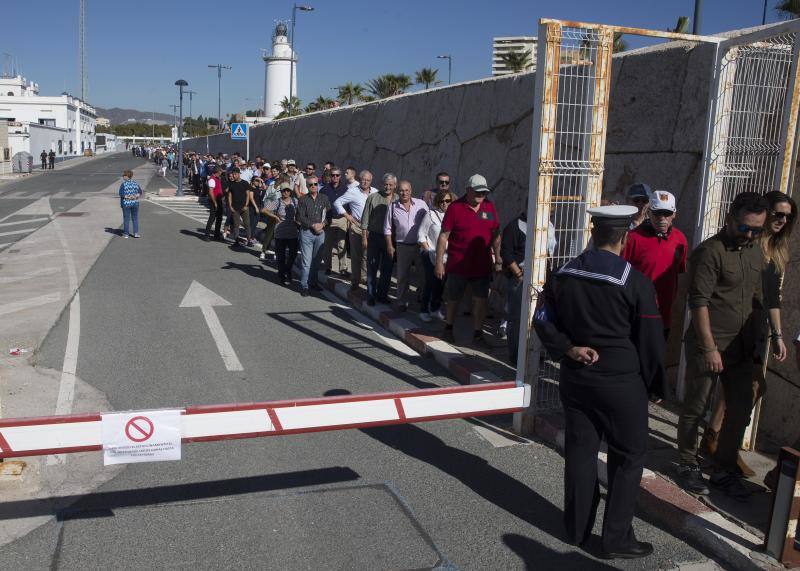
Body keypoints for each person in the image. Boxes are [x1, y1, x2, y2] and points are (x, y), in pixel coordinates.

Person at [534, 204, 664, 560]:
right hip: (622, 383)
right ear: (624, 238)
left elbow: (542, 320)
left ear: (592, 232)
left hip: (577, 378)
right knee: (628, 457)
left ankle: (576, 529)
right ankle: (616, 539)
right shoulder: (636, 282)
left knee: (580, 452)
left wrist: (569, 349)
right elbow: (651, 341)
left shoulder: (562, 274)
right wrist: (655, 386)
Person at [676, 192, 768, 499]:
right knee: (696, 405)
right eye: (745, 228)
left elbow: (756, 297)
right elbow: (698, 301)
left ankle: (724, 468)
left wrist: (760, 341)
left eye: (757, 230)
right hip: (710, 343)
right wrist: (710, 347)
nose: (750, 235)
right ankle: (687, 462)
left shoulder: (755, 251)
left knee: (741, 406)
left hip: (741, 347)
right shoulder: (710, 252)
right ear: (730, 219)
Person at [701, 191, 796, 476]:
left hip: (757, 326)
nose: (781, 220)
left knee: (745, 388)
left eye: (787, 217)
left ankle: (715, 438)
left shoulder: (777, 249)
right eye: (777, 213)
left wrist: (778, 335)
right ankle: (717, 442)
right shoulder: (749, 244)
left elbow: (772, 297)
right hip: (733, 323)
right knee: (749, 386)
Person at [435, 174, 501, 346]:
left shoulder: (489, 207)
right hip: (458, 265)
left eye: (484, 192)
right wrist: (439, 262)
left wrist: (498, 257)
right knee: (453, 299)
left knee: (481, 300)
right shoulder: (455, 208)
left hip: (482, 265)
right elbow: (443, 237)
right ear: (468, 190)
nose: (481, 196)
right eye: (478, 192)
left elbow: (495, 234)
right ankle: (448, 328)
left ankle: (478, 334)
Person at [622, 190, 687, 340]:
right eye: (658, 213)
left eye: (667, 213)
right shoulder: (632, 239)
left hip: (664, 317)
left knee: (657, 360)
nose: (662, 219)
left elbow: (677, 273)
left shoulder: (680, 240)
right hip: (637, 316)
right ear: (649, 212)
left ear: (674, 214)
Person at [384, 180, 428, 311]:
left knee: (423, 274)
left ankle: (424, 299)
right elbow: (387, 228)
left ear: (411, 191)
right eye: (401, 190)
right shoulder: (393, 206)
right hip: (402, 246)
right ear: (398, 192)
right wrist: (389, 246)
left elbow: (430, 222)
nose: (404, 193)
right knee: (402, 275)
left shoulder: (421, 204)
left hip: (420, 246)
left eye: (406, 190)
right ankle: (402, 302)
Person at [335, 170, 378, 291]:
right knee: (356, 254)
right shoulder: (352, 191)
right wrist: (347, 216)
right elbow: (337, 202)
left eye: (368, 180)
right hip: (357, 226)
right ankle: (355, 280)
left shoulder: (375, 192)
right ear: (360, 178)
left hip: (370, 228)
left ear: (371, 181)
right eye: (363, 179)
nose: (365, 182)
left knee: (367, 255)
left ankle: (364, 278)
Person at [361, 173, 398, 305]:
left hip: (390, 240)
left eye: (390, 185)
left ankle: (382, 295)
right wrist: (364, 238)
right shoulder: (373, 198)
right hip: (374, 237)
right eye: (386, 184)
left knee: (387, 269)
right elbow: (365, 219)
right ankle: (371, 295)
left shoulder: (398, 199)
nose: (387, 187)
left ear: (395, 186)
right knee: (372, 267)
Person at [418, 188, 454, 322]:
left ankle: (435, 308)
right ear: (437, 201)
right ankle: (424, 310)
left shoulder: (454, 216)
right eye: (442, 201)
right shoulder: (430, 215)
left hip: (446, 257)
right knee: (430, 282)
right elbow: (421, 234)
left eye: (448, 201)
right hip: (430, 254)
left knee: (441, 283)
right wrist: (428, 251)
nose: (445, 203)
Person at [296, 175, 331, 296]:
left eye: (315, 184)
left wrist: (322, 225)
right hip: (307, 233)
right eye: (311, 185)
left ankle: (313, 282)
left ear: (318, 184)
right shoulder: (303, 199)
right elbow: (300, 217)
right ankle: (304, 285)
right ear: (307, 186)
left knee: (316, 260)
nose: (313, 186)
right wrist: (313, 225)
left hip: (321, 233)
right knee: (306, 262)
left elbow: (328, 215)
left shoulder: (324, 198)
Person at [269, 182, 299, 286]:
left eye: (288, 190)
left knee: (293, 254)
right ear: (281, 192)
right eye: (284, 190)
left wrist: (297, 219)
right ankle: (282, 275)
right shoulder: (277, 202)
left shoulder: (295, 201)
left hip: (293, 233)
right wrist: (275, 217)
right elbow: (264, 209)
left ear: (290, 192)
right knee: (280, 256)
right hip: (280, 233)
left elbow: (301, 212)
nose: (286, 192)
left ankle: (288, 270)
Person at [322, 167, 350, 276]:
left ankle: (343, 268)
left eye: (337, 175)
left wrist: (349, 219)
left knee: (342, 244)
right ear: (330, 176)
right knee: (327, 245)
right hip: (329, 219)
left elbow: (349, 205)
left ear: (340, 176)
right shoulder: (324, 189)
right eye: (333, 175)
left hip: (342, 219)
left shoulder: (346, 189)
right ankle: (328, 267)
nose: (335, 177)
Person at [226, 168, 252, 248]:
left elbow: (248, 195)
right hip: (235, 207)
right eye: (233, 174)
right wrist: (230, 206)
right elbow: (229, 195)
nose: (233, 176)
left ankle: (249, 240)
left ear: (239, 174)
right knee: (236, 225)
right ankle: (236, 240)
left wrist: (246, 205)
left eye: (235, 174)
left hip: (244, 207)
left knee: (247, 224)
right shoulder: (231, 184)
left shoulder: (245, 183)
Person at [118, 169, 143, 239]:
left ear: (127, 176)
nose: (123, 176)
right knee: (135, 218)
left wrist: (128, 197)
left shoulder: (123, 184)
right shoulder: (135, 183)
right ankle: (136, 233)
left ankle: (126, 234)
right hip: (135, 203)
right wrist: (134, 196)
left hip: (126, 203)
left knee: (126, 219)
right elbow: (140, 192)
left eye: (124, 175)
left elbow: (121, 194)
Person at [204, 166, 224, 241]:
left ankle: (216, 234)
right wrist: (215, 202)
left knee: (219, 218)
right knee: (212, 218)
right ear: (217, 172)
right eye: (220, 172)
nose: (221, 173)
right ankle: (207, 235)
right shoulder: (212, 180)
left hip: (219, 200)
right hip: (214, 200)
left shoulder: (217, 178)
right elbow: (211, 192)